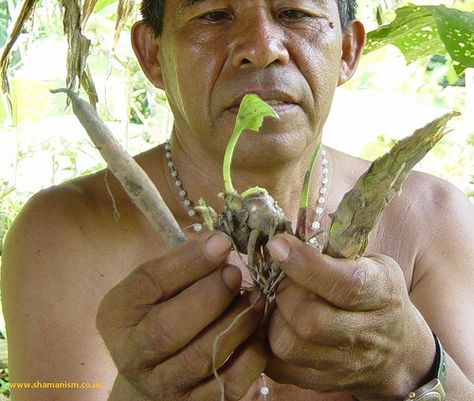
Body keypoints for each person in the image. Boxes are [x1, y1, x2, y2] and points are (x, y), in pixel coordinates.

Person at [2, 0, 474, 400]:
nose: (262, 48)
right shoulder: (62, 234)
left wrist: (413, 363)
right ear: (152, 56)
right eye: (213, 15)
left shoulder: (435, 219)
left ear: (348, 50)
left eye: (294, 12)